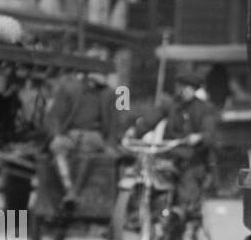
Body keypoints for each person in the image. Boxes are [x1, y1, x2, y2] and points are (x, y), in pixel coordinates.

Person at [123, 71, 218, 217]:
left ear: (195, 90)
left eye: (189, 88)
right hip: (169, 153)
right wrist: (134, 132)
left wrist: (199, 137)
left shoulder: (205, 109)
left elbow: (209, 132)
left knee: (188, 187)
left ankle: (185, 216)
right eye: (182, 87)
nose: (184, 91)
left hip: (192, 157)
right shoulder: (172, 105)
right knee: (147, 168)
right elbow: (151, 119)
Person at [46, 67, 114, 206]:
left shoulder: (115, 92)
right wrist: (57, 135)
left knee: (87, 147)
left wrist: (112, 143)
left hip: (94, 135)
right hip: (71, 134)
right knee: (58, 146)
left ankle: (73, 193)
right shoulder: (70, 88)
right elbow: (55, 115)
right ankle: (69, 189)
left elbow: (117, 118)